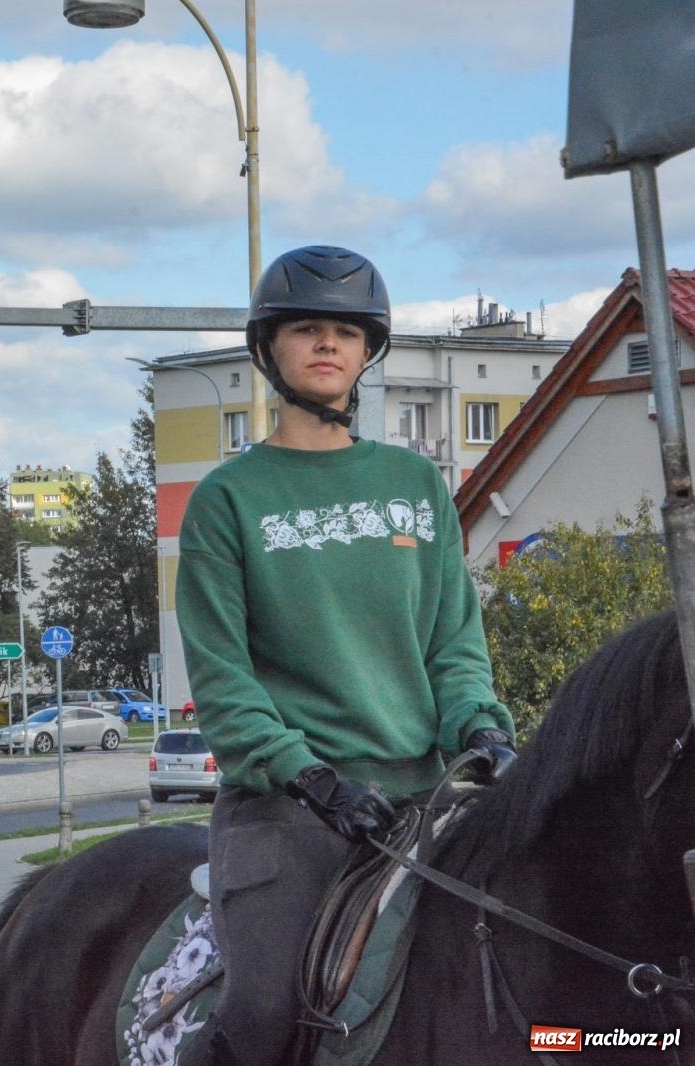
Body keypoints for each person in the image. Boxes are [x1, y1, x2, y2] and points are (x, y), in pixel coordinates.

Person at [174, 246, 516, 1066]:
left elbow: (452, 645)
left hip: (425, 798)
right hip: (289, 809)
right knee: (259, 1015)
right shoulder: (228, 499)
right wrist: (312, 778)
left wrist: (483, 729)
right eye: (306, 329)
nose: (327, 344)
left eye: (346, 332)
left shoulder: (415, 484)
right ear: (268, 350)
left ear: (367, 353)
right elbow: (223, 680)